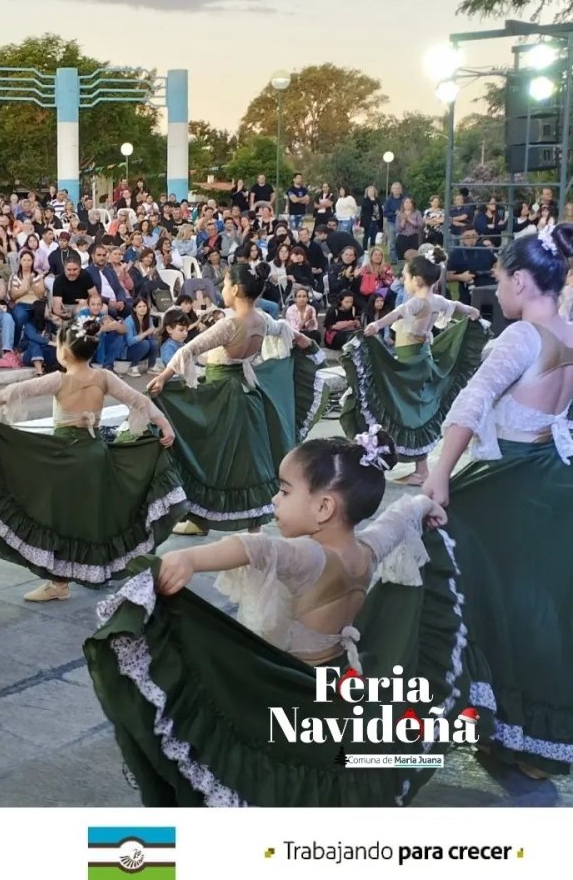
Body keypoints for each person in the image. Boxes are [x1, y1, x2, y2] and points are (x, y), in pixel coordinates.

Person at [84, 429, 469, 807]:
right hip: (338, 682)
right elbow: (399, 518)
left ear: (324, 508)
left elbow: (257, 548)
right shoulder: (367, 549)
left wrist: (190, 558)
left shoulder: (312, 556)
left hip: (290, 684)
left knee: (250, 748)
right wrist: (424, 506)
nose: (274, 499)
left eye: (284, 491)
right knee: (325, 764)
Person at [422, 223, 573, 780]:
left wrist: (439, 475)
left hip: (510, 481)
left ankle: (490, 719)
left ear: (523, 281)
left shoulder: (522, 337)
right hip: (554, 482)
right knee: (538, 611)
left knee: (454, 567)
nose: (498, 290)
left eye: (501, 280)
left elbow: (472, 401)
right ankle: (529, 740)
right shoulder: (571, 332)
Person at [0, 315, 185, 603]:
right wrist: (165, 425)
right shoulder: (104, 377)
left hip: (62, 456)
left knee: (61, 518)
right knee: (92, 517)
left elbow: (18, 391)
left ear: (64, 352)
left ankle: (59, 583)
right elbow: (139, 401)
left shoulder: (60, 379)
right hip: (95, 455)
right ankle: (95, 571)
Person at [146, 265, 327, 536]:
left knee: (211, 458)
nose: (221, 289)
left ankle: (207, 521)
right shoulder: (262, 319)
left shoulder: (229, 324)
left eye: (225, 284)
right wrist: (304, 342)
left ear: (234, 289)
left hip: (220, 397)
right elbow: (287, 332)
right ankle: (242, 526)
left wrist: (163, 378)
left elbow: (189, 349)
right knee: (249, 461)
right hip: (248, 394)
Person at [340, 248, 486, 486]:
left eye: (405, 277)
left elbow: (396, 314)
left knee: (396, 404)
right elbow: (457, 305)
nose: (403, 281)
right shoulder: (436, 299)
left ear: (416, 280)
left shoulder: (418, 302)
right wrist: (471, 311)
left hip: (409, 362)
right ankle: (420, 469)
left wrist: (376, 325)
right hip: (420, 359)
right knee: (417, 410)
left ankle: (380, 457)